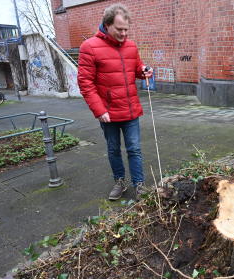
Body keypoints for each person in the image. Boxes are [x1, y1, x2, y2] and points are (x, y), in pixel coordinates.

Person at [77, 3, 153, 200]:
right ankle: (120, 181)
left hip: (131, 110)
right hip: (108, 113)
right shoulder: (89, 47)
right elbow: (85, 83)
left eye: (126, 29)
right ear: (107, 24)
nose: (124, 34)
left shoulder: (131, 46)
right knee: (113, 149)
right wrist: (99, 110)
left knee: (134, 149)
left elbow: (136, 68)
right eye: (119, 29)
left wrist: (144, 69)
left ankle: (139, 185)